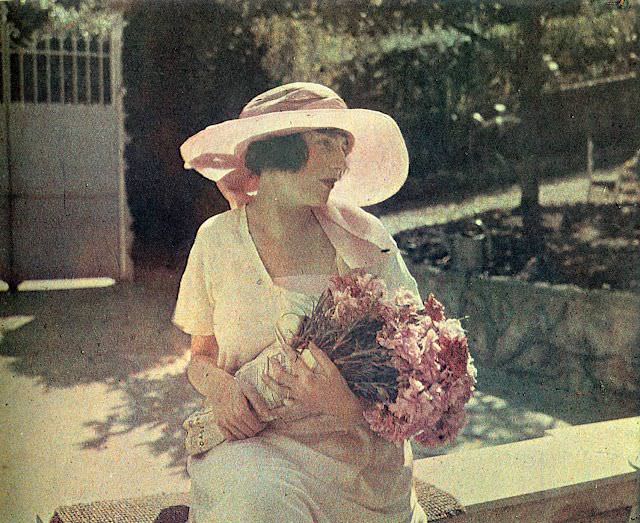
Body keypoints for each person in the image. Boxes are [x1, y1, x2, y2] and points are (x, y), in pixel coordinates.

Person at [172, 82, 428, 523]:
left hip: (357, 456)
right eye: (324, 145)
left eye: (342, 147)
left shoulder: (367, 243)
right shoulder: (216, 241)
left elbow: (413, 367)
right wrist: (222, 390)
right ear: (277, 151)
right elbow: (201, 357)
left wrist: (345, 404)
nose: (340, 164)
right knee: (257, 504)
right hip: (254, 444)